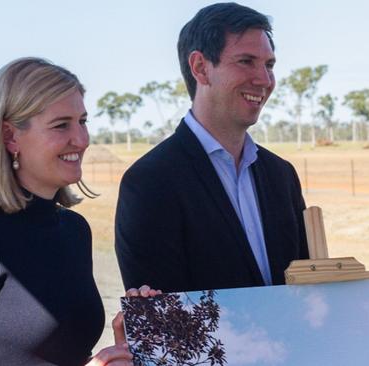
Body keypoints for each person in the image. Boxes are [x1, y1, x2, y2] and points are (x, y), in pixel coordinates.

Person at [0, 57, 133, 366]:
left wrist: (118, 352)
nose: (82, 139)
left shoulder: (74, 230)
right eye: (61, 125)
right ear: (10, 136)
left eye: (83, 121)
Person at [115, 2, 309, 293]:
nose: (264, 80)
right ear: (200, 68)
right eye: (246, 61)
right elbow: (164, 321)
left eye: (269, 65)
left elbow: (308, 293)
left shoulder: (281, 175)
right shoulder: (149, 182)